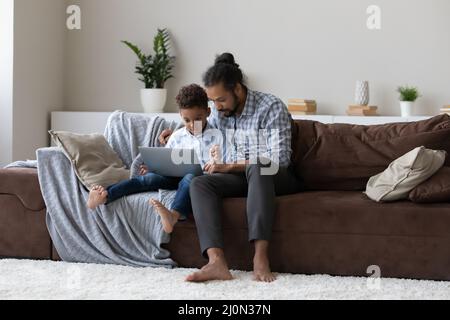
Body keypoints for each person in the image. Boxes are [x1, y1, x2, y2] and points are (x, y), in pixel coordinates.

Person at [159, 53, 303, 283]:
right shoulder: (218, 112)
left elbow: (279, 159)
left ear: (237, 89)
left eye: (220, 100)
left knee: (258, 166)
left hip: (275, 176)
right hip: (240, 176)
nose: (216, 107)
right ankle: (216, 262)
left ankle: (260, 256)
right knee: (199, 183)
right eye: (212, 102)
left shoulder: (270, 107)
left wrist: (228, 165)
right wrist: (174, 131)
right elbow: (199, 124)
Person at [87, 84, 223, 234]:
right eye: (186, 120)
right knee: (148, 180)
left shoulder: (216, 136)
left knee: (190, 178)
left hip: (196, 180)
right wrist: (155, 168)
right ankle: (105, 196)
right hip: (173, 177)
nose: (191, 125)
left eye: (197, 119)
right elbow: (167, 158)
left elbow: (220, 164)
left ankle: (173, 216)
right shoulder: (177, 136)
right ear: (180, 115)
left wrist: (216, 162)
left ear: (208, 112)